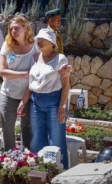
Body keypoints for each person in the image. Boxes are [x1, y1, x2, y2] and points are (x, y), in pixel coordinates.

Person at [18, 29, 70, 169]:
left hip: (54, 102)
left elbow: (66, 86)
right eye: (38, 39)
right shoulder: (35, 57)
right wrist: (24, 101)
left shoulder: (60, 59)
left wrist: (62, 107)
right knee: (37, 139)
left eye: (43, 39)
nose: (39, 42)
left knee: (57, 140)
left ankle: (61, 174)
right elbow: (31, 83)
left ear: (52, 43)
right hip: (36, 101)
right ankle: (39, 172)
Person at [0, 17, 37, 151]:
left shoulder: (35, 46)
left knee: (27, 127)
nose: (13, 31)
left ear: (25, 28)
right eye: (11, 28)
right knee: (7, 128)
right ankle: (9, 156)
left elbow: (36, 74)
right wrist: (25, 74)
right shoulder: (7, 45)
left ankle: (27, 157)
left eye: (17, 28)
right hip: (8, 93)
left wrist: (24, 99)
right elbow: (2, 71)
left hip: (27, 94)